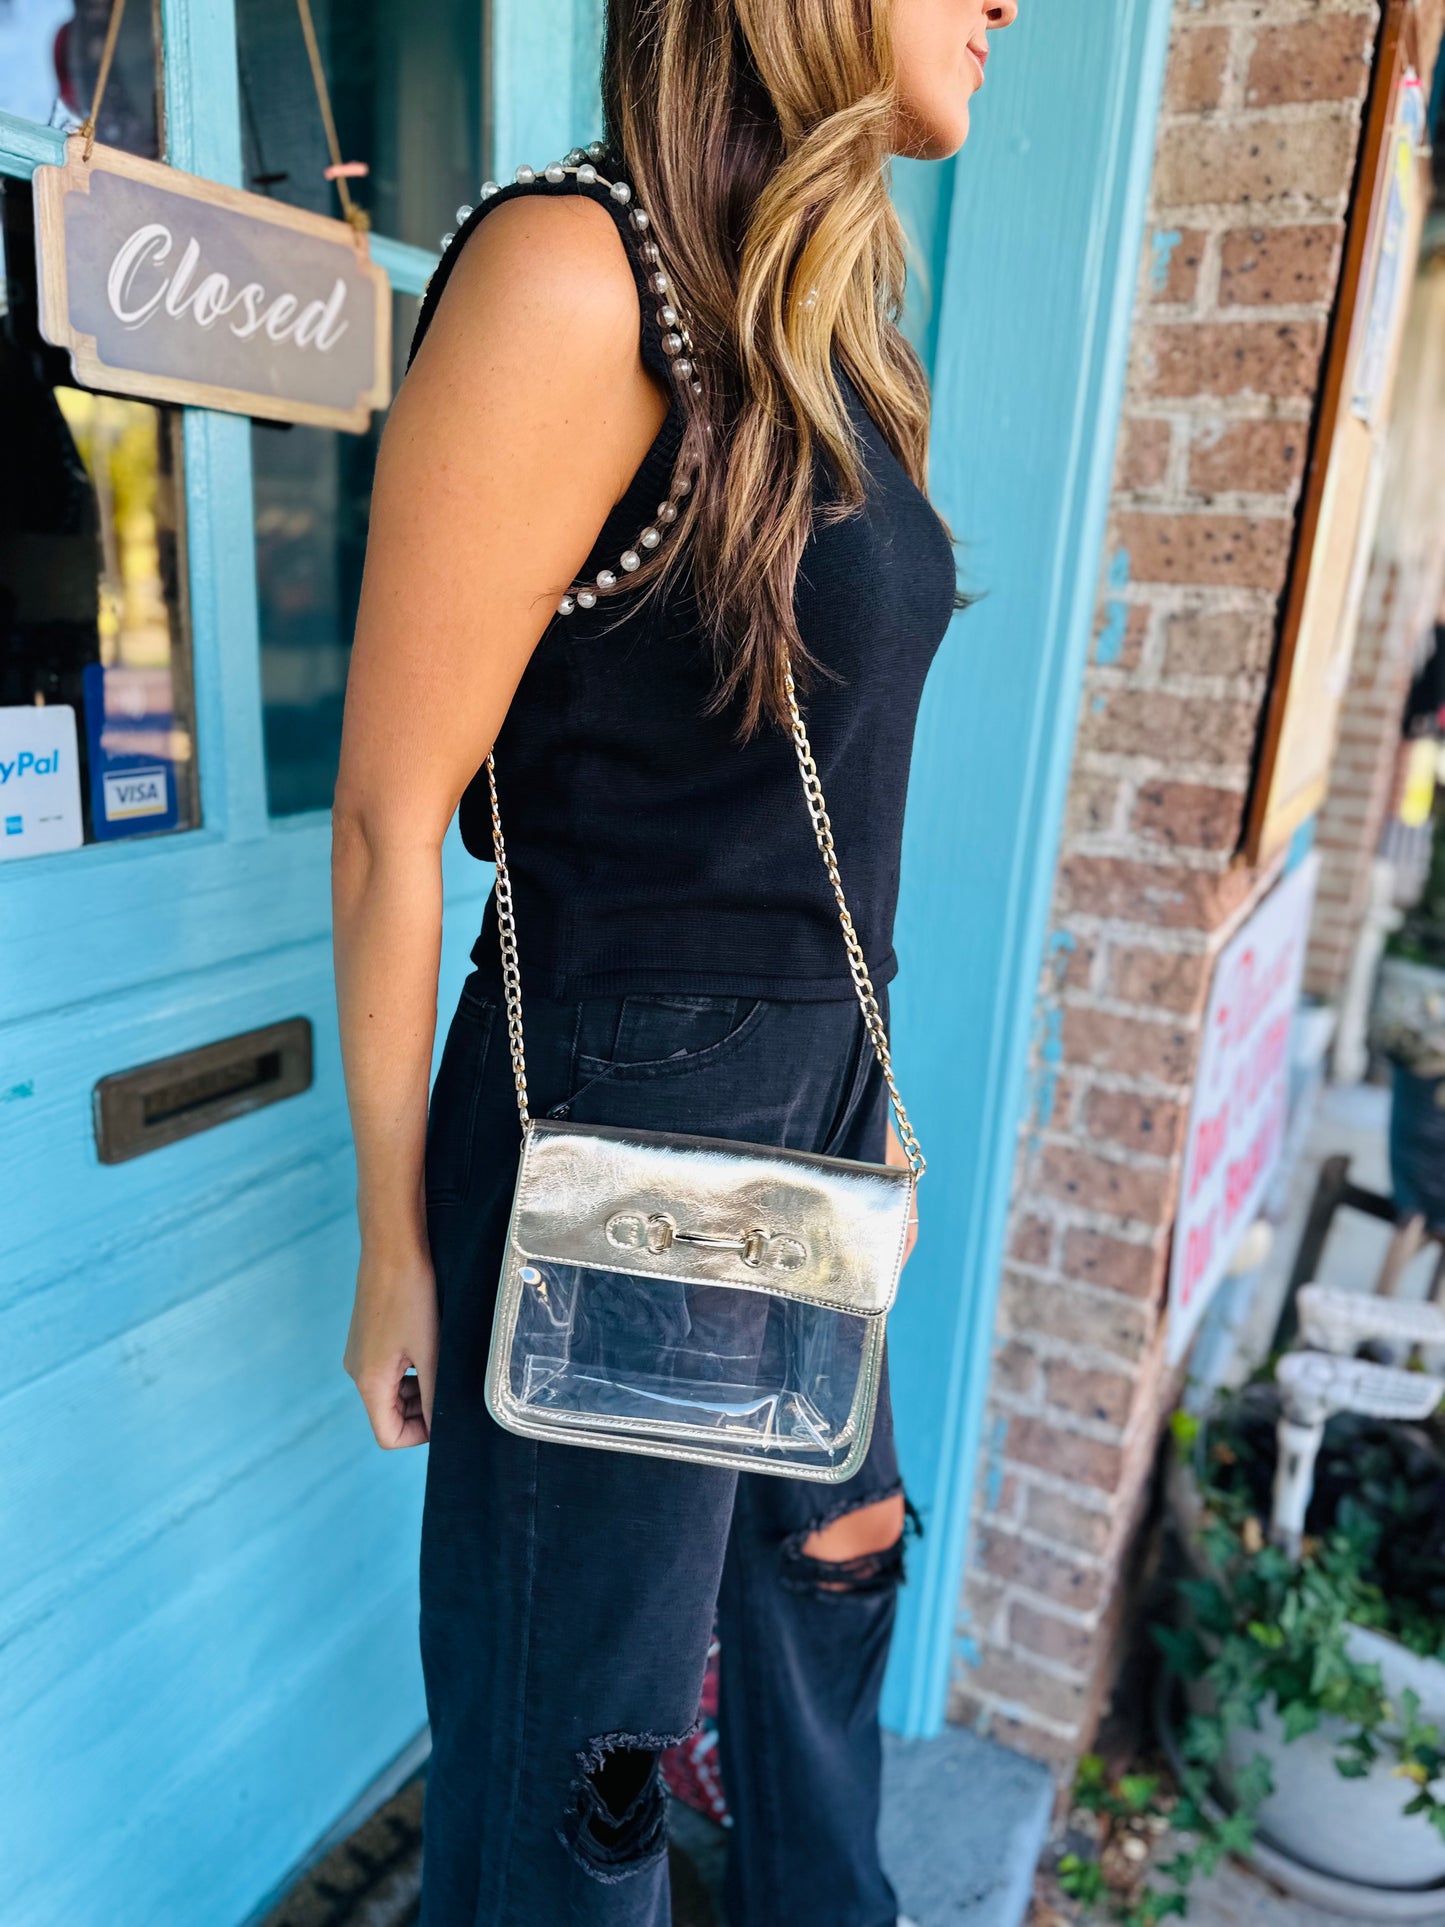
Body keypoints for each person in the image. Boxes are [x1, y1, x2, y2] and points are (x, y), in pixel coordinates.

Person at [331, 1, 1019, 1921]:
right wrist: (392, 1237)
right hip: (629, 1131)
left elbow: (820, 805)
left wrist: (863, 1103)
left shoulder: (812, 320)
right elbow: (389, 814)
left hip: (810, 1111)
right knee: (584, 1767)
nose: (1004, 5)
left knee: (831, 1570)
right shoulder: (575, 274)